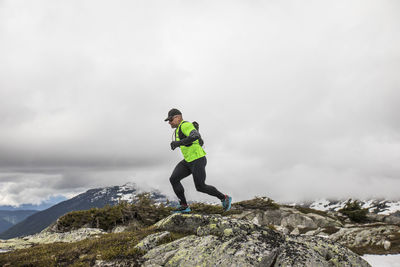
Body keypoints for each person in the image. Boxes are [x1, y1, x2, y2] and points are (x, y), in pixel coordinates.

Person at [165, 108, 232, 213]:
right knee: (174, 179)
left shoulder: (185, 125)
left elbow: (195, 136)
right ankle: (184, 206)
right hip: (188, 161)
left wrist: (177, 143)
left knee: (200, 186)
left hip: (198, 159)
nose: (169, 122)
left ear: (177, 117)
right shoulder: (178, 129)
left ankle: (224, 198)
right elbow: (196, 139)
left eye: (170, 120)